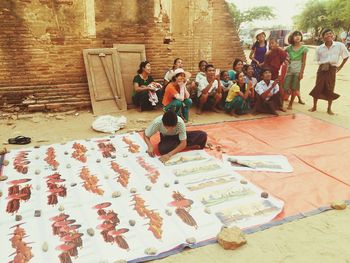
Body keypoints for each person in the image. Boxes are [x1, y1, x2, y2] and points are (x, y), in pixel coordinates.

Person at [309, 28, 349, 115]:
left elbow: (346, 56)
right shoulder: (319, 48)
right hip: (322, 69)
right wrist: (323, 63)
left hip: (332, 69)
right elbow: (315, 60)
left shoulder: (339, 45)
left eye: (331, 33)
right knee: (318, 87)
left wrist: (340, 67)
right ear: (322, 37)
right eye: (327, 34)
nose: (329, 35)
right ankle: (314, 106)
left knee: (330, 88)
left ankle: (329, 109)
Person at [284, 31, 309, 109]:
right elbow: (282, 55)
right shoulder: (288, 48)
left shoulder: (304, 48)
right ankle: (289, 95)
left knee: (295, 88)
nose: (297, 37)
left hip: (298, 71)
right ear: (292, 37)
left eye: (299, 35)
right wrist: (286, 59)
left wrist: (301, 73)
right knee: (285, 87)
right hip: (289, 70)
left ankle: (291, 104)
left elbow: (304, 62)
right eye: (295, 35)